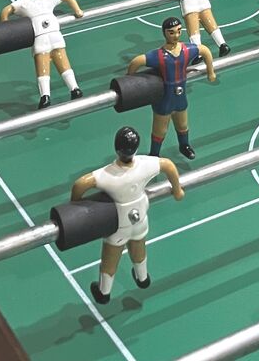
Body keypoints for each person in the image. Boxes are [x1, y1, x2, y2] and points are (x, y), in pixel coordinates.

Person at [68, 126, 185, 305]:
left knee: (111, 257)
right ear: (135, 149)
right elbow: (168, 165)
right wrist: (177, 190)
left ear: (116, 148)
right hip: (140, 219)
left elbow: (80, 184)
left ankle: (104, 291)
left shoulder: (106, 175)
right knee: (139, 247)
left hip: (118, 225)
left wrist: (76, 206)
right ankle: (142, 278)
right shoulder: (145, 165)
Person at [124, 17, 217, 159]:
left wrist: (211, 71)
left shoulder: (186, 50)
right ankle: (154, 154)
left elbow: (205, 50)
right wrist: (130, 82)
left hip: (180, 97)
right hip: (164, 99)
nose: (176, 35)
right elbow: (137, 61)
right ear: (165, 33)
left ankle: (184, 145)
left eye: (179, 31)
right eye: (172, 32)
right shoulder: (159, 55)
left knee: (183, 125)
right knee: (160, 130)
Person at [0, 0, 85, 107]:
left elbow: (5, 11)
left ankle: (45, 96)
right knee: (63, 62)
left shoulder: (23, 3)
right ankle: (75, 88)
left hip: (40, 37)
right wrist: (78, 10)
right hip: (54, 33)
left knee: (42, 68)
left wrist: (7, 28)